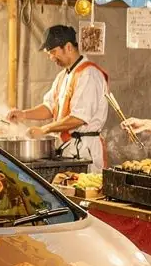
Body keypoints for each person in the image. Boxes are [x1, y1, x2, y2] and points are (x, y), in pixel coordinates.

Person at [8, 23, 108, 169]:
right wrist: (23, 114)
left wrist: (44, 130)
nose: (51, 57)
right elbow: (50, 107)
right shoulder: (63, 76)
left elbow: (79, 118)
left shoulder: (89, 74)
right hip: (68, 148)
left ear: (68, 47)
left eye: (53, 51)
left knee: (84, 189)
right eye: (49, 53)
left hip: (86, 151)